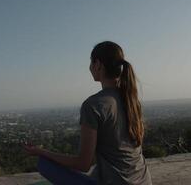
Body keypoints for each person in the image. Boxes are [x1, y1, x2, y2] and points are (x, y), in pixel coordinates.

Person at [24, 41, 152, 185]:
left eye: (91, 62)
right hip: (143, 180)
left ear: (98, 64)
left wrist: (41, 152)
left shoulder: (94, 105)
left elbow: (83, 164)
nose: (89, 67)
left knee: (45, 165)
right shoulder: (132, 100)